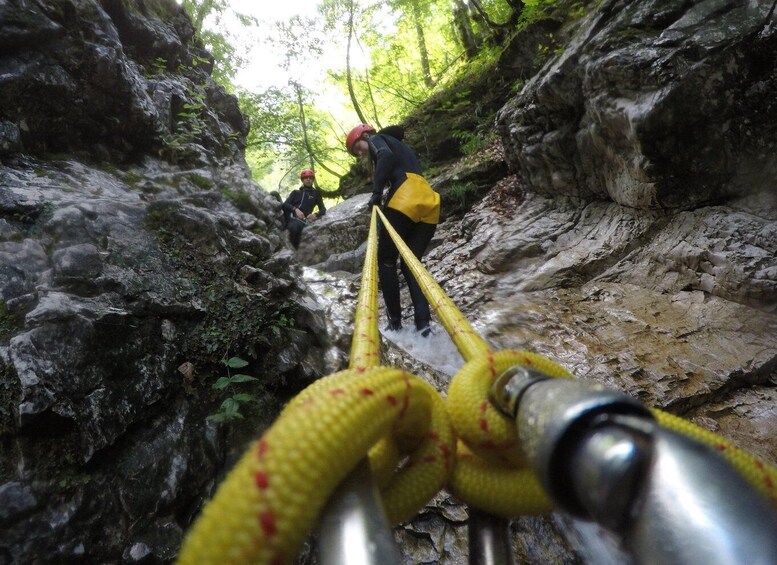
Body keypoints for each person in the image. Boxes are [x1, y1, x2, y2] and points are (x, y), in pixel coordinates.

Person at [346, 123, 440, 337]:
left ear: (365, 135)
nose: (360, 154)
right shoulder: (401, 146)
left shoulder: (376, 139)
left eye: (358, 148)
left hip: (406, 197)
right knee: (411, 264)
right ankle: (423, 325)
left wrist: (377, 192)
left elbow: (385, 157)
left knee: (387, 260)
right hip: (429, 199)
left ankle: (395, 325)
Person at [282, 169, 327, 249]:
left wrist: (315, 214)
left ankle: (292, 250)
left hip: (303, 220)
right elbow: (285, 205)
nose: (308, 179)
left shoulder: (316, 194)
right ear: (302, 180)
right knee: (293, 226)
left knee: (295, 226)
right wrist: (295, 209)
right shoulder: (296, 193)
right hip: (291, 217)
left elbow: (323, 209)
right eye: (306, 178)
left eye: (310, 178)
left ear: (313, 179)